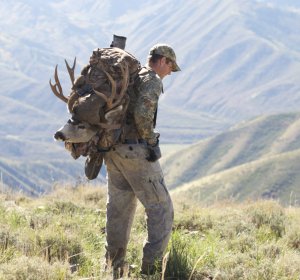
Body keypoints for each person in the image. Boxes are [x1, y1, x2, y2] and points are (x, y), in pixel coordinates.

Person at [104, 43, 181, 276]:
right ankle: (151, 270)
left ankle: (113, 268)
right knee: (161, 208)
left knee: (119, 210)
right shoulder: (152, 80)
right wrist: (151, 141)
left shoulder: (131, 75)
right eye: (171, 67)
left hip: (113, 149)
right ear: (163, 61)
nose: (170, 72)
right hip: (135, 151)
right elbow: (142, 114)